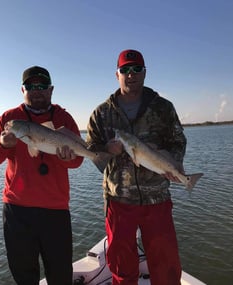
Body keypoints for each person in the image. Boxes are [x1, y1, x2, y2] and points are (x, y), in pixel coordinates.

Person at [86, 49, 187, 285]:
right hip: (118, 199)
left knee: (166, 264)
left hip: (157, 198)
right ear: (117, 74)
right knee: (121, 263)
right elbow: (91, 149)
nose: (131, 74)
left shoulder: (163, 108)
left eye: (136, 69)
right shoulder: (101, 113)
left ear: (144, 73)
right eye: (125, 70)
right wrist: (106, 150)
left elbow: (178, 141)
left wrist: (174, 163)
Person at [0, 66, 83, 285]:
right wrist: (2, 144)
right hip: (17, 212)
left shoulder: (63, 118)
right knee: (24, 275)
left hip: (55, 211)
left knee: (60, 275)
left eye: (42, 86)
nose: (37, 90)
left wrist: (69, 158)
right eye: (31, 86)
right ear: (23, 90)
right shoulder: (10, 119)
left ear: (51, 90)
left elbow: (77, 161)